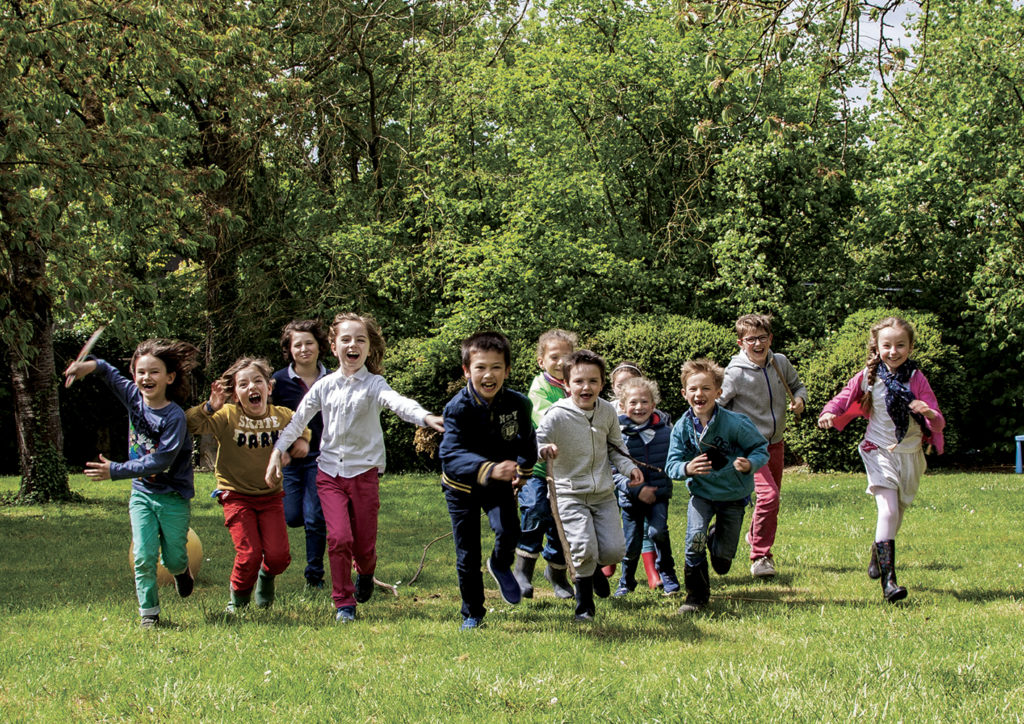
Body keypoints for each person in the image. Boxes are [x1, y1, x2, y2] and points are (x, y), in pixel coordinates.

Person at [266, 312, 444, 623]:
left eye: (360, 339)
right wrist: (276, 452)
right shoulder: (324, 386)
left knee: (363, 544)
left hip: (365, 474)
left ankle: (366, 571)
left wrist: (426, 418)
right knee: (338, 539)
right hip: (329, 473)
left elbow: (398, 403)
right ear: (333, 346)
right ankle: (344, 603)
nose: (353, 344)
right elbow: (298, 422)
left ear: (368, 347)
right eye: (346, 339)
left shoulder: (375, 384)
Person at [65, 339, 201, 629]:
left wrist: (116, 470)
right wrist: (84, 368)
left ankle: (181, 572)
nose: (146, 378)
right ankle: (149, 615)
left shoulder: (174, 417)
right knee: (143, 555)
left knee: (175, 558)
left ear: (170, 377)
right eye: (140, 372)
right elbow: (105, 370)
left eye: (154, 372)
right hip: (141, 494)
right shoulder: (132, 396)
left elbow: (161, 461)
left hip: (172, 495)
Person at [818, 316, 944, 603]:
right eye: (887, 345)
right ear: (877, 346)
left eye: (900, 345)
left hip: (910, 455)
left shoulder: (917, 379)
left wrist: (928, 413)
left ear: (910, 348)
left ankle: (878, 551)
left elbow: (938, 423)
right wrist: (828, 412)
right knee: (887, 511)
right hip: (877, 450)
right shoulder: (868, 375)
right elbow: (843, 398)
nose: (894, 351)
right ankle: (890, 582)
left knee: (896, 515)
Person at [187, 357, 309, 614]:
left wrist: (301, 443)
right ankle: (238, 601)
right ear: (235, 394)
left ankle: (266, 578)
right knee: (249, 554)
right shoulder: (227, 415)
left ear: (269, 387)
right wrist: (210, 406)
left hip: (271, 496)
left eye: (257, 381)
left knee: (278, 557)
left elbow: (303, 427)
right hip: (235, 495)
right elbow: (190, 424)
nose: (251, 387)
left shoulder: (282, 416)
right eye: (243, 384)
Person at [439, 331, 537, 630]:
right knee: (467, 553)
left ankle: (500, 563)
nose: (488, 374)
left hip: (498, 486)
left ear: (507, 370)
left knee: (509, 529)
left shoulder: (518, 404)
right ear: (467, 371)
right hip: (461, 488)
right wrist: (489, 468)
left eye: (496, 367)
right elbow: (450, 454)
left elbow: (526, 439)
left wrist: (524, 469)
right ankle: (472, 612)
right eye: (480, 367)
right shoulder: (457, 408)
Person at [537, 350, 643, 622]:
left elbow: (617, 448)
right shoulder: (556, 415)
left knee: (614, 551)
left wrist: (629, 468)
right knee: (582, 548)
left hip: (603, 494)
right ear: (567, 384)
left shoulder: (607, 411)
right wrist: (543, 449)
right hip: (569, 493)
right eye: (579, 382)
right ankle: (584, 608)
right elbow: (533, 443)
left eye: (593, 381)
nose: (586, 387)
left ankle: (593, 567)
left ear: (602, 383)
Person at [665, 358, 769, 614]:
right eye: (693, 389)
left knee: (723, 562)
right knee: (694, 540)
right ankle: (696, 597)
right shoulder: (681, 427)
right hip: (701, 494)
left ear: (718, 392)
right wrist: (686, 468)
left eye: (706, 388)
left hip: (733, 495)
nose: (699, 394)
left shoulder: (736, 423)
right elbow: (672, 464)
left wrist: (750, 464)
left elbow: (760, 448)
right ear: (684, 393)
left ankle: (717, 542)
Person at [720, 313, 807, 579]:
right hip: (749, 448)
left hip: (776, 443)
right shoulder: (734, 373)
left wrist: (800, 401)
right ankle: (760, 556)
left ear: (771, 338)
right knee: (769, 497)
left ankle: (754, 535)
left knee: (770, 501)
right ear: (740, 342)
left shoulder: (780, 362)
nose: (757, 344)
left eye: (762, 338)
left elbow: (797, 386)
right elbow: (716, 406)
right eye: (750, 339)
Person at [513, 329, 577, 600]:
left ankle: (556, 572)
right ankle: (522, 570)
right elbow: (544, 417)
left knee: (560, 520)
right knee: (536, 510)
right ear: (541, 361)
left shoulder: (578, 385)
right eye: (554, 357)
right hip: (536, 467)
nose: (561, 362)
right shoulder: (540, 387)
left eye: (567, 356)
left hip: (566, 470)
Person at [271, 319, 331, 590]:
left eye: (310, 343)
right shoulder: (278, 382)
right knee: (293, 516)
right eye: (298, 344)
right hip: (291, 460)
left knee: (314, 517)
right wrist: (281, 448)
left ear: (320, 346)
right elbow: (269, 419)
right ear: (289, 349)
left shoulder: (334, 380)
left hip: (323, 457)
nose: (304, 349)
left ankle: (314, 575)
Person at [612, 376, 680, 597]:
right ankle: (626, 581)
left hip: (658, 494)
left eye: (644, 402)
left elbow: (675, 459)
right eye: (633, 402)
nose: (639, 407)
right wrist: (635, 489)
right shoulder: (617, 436)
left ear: (653, 405)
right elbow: (613, 472)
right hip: (631, 499)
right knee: (631, 543)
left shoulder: (666, 432)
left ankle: (668, 576)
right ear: (622, 406)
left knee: (658, 531)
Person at [608, 360, 663, 589]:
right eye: (620, 385)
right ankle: (609, 562)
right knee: (612, 523)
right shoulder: (607, 411)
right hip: (612, 479)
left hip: (645, 482)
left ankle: (654, 573)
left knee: (648, 529)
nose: (626, 388)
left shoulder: (656, 416)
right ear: (613, 388)